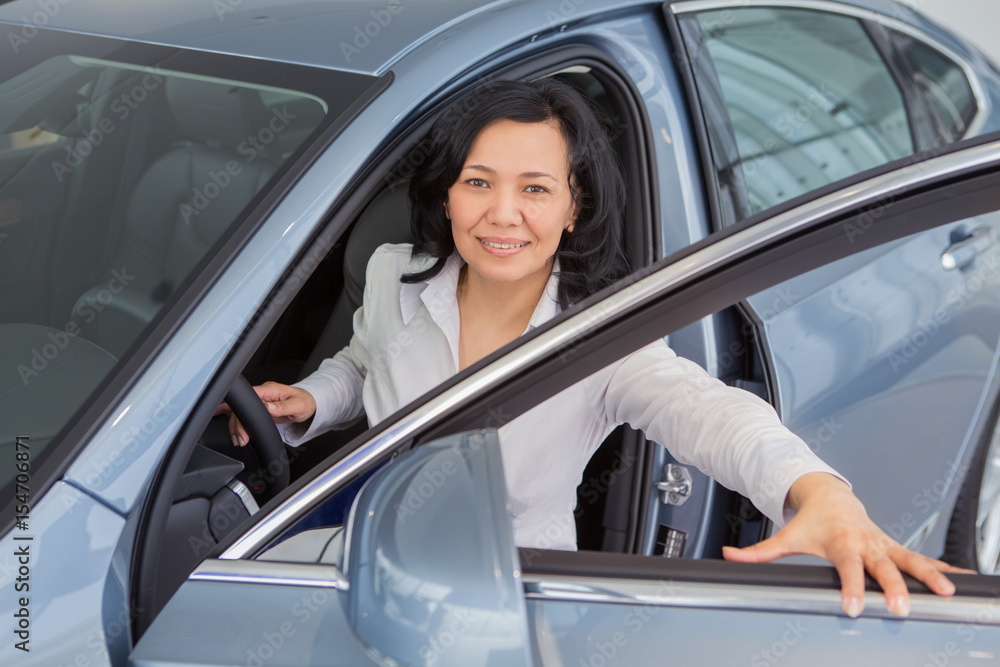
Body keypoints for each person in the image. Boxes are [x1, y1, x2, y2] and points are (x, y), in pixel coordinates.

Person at [225, 78, 962, 618]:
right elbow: (364, 362)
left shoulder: (601, 338)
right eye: (477, 182)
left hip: (513, 592)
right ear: (447, 194)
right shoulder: (392, 271)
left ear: (576, 206)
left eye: (536, 189)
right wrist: (315, 399)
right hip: (366, 555)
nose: (501, 214)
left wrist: (820, 491)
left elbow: (711, 412)